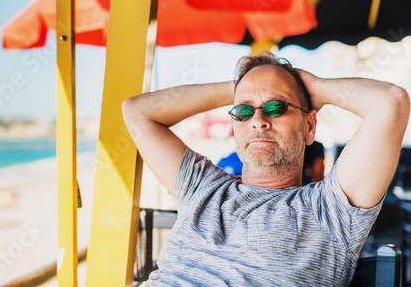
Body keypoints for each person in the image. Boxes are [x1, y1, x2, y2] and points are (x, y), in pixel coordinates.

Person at [122, 51, 410, 286]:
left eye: (276, 107)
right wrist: (240, 86)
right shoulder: (202, 188)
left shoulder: (330, 209)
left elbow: (390, 102)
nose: (258, 120)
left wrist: (314, 87)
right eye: (244, 111)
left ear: (309, 126)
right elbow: (136, 112)